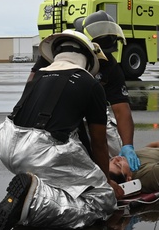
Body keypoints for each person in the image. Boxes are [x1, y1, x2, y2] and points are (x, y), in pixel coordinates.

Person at [0, 30, 127, 230]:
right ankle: (34, 204)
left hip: (7, 142)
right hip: (42, 149)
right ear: (88, 59)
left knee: (62, 179)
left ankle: (26, 200)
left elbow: (76, 138)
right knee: (102, 201)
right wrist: (104, 184)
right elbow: (98, 143)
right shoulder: (90, 84)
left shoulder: (39, 77)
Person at [29, 11, 140, 170]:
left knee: (109, 151)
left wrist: (128, 146)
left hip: (89, 110)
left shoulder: (110, 66)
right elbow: (32, 85)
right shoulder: (58, 53)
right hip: (54, 112)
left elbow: (121, 109)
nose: (102, 59)